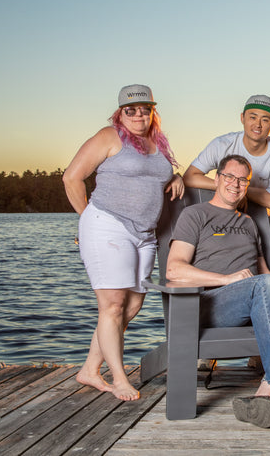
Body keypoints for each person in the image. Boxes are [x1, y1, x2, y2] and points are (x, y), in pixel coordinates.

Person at [166, 154, 270, 432]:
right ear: (216, 179)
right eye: (229, 176)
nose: (236, 184)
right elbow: (174, 269)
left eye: (243, 179)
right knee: (262, 286)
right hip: (211, 304)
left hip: (256, 300)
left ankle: (266, 391)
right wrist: (226, 279)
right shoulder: (195, 214)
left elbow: (266, 274)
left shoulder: (249, 223)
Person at [63, 84, 184, 401]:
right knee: (112, 305)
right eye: (131, 109)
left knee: (130, 307)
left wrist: (176, 177)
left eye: (145, 108)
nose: (139, 114)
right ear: (120, 112)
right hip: (108, 226)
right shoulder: (109, 136)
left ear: (152, 110)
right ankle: (118, 379)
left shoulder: (156, 142)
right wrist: (85, 218)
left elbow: (155, 176)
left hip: (144, 233)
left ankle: (89, 369)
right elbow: (71, 177)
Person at [183, 95, 270, 211]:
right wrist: (226, 187)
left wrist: (240, 190)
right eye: (253, 117)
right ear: (242, 118)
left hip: (257, 215)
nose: (258, 125)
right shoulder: (221, 144)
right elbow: (189, 177)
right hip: (222, 210)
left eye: (265, 120)